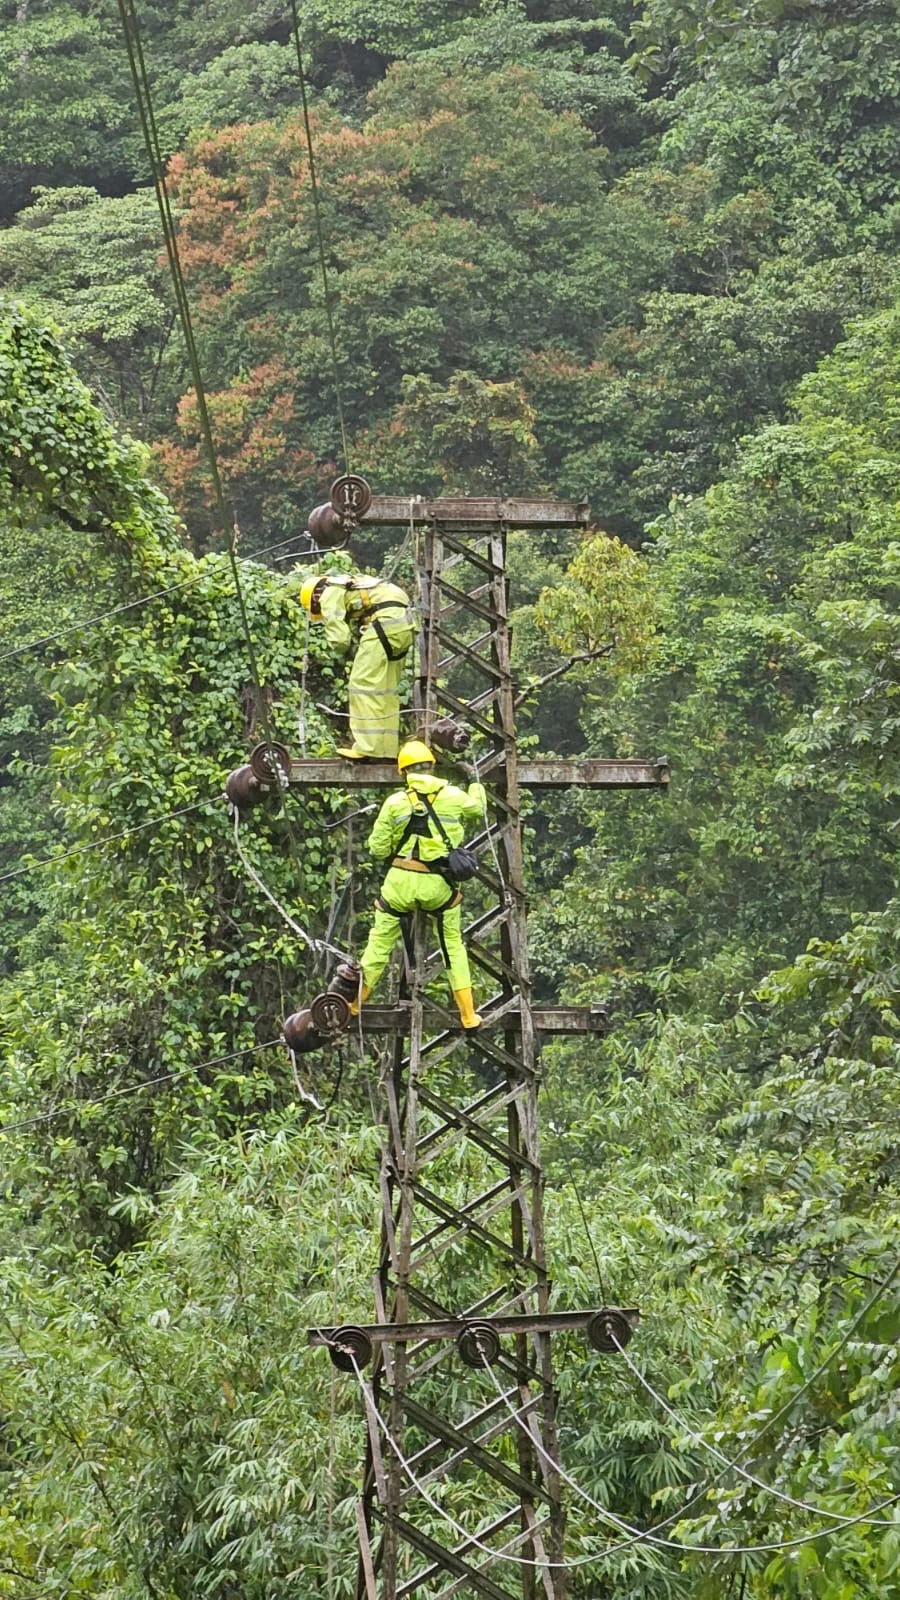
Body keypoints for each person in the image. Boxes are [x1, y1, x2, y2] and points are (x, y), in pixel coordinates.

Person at [353, 740, 487, 1029]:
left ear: (404, 772)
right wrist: (474, 780)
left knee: (378, 945)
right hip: (439, 887)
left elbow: (377, 849)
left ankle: (354, 1004)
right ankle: (468, 1015)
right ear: (432, 767)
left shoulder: (395, 802)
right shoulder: (453, 795)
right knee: (452, 946)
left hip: (399, 885)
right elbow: (478, 809)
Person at [296, 570, 414, 759]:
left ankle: (369, 749)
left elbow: (340, 640)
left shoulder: (328, 593)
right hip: (404, 625)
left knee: (362, 686)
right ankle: (387, 751)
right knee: (386, 691)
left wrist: (339, 648)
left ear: (316, 597)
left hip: (385, 623)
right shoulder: (350, 585)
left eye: (318, 610)